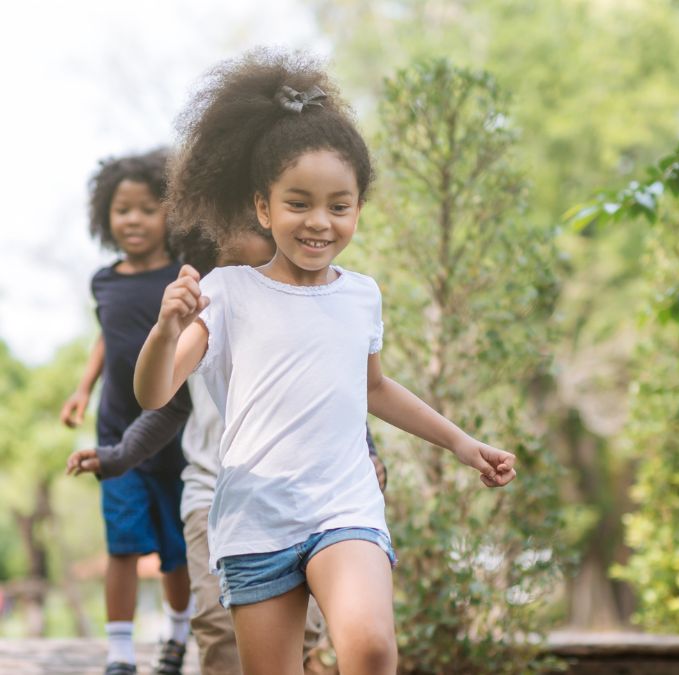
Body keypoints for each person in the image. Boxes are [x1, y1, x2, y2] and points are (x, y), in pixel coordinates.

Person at [133, 49, 517, 675]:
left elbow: (377, 387)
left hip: (344, 505)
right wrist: (165, 327)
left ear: (358, 209)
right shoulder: (227, 292)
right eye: (299, 203)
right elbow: (154, 391)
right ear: (263, 207)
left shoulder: (361, 294)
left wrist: (463, 444)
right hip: (255, 518)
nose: (319, 222)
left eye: (339, 206)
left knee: (368, 648)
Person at [68, 224, 388, 675]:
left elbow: (342, 396)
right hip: (213, 498)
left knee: (307, 638)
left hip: (308, 503)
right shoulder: (210, 315)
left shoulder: (318, 309)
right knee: (222, 634)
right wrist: (116, 456)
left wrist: (370, 451)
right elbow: (162, 405)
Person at [60, 150, 191, 675]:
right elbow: (105, 337)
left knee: (173, 547)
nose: (133, 219)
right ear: (105, 217)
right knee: (123, 542)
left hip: (172, 430)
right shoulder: (104, 280)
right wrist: (82, 389)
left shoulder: (184, 276)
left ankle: (177, 638)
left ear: (170, 214)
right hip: (115, 433)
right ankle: (119, 654)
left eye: (146, 208)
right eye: (122, 209)